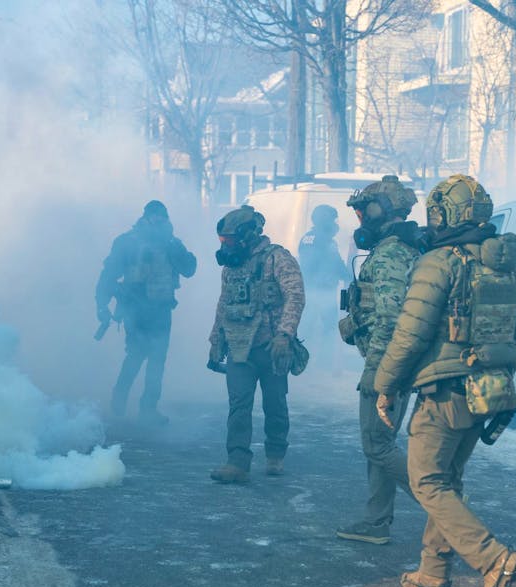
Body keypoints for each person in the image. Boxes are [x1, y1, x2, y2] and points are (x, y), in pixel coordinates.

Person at [373, 174, 516, 587]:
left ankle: (494, 560)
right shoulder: (512, 266)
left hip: (444, 392)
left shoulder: (439, 263)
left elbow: (409, 336)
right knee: (448, 480)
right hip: (489, 391)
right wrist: (495, 377)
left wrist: (386, 386)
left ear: (445, 215)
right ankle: (433, 573)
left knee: (426, 481)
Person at [335, 175, 425, 545]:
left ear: (379, 211)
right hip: (395, 361)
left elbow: (390, 320)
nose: (358, 221)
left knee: (377, 444)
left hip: (388, 363)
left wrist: (377, 371)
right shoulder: (398, 249)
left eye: (361, 213)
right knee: (381, 442)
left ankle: (446, 505)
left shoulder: (390, 254)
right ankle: (376, 521)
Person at [207, 205, 305, 484]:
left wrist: (285, 335)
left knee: (275, 403)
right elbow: (224, 303)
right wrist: (216, 340)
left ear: (247, 235)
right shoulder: (231, 266)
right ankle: (237, 462)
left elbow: (295, 296)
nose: (226, 247)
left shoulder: (277, 259)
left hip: (272, 347)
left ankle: (275, 454)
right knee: (239, 404)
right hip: (239, 347)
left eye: (230, 241)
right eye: (223, 241)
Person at [96, 199, 196, 424]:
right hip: (134, 308)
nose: (158, 221)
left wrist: (174, 247)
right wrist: (101, 304)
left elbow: (189, 269)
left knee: (157, 360)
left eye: (163, 217)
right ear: (146, 217)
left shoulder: (171, 243)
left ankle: (149, 409)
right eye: (155, 217)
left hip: (161, 310)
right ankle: (120, 395)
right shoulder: (127, 242)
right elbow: (108, 275)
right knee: (136, 354)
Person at [297, 205, 350, 366]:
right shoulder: (325, 240)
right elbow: (336, 263)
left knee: (306, 326)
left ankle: (301, 361)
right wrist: (349, 276)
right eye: (332, 220)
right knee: (329, 328)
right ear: (324, 220)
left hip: (308, 289)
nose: (335, 224)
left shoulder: (307, 238)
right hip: (323, 291)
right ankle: (324, 362)